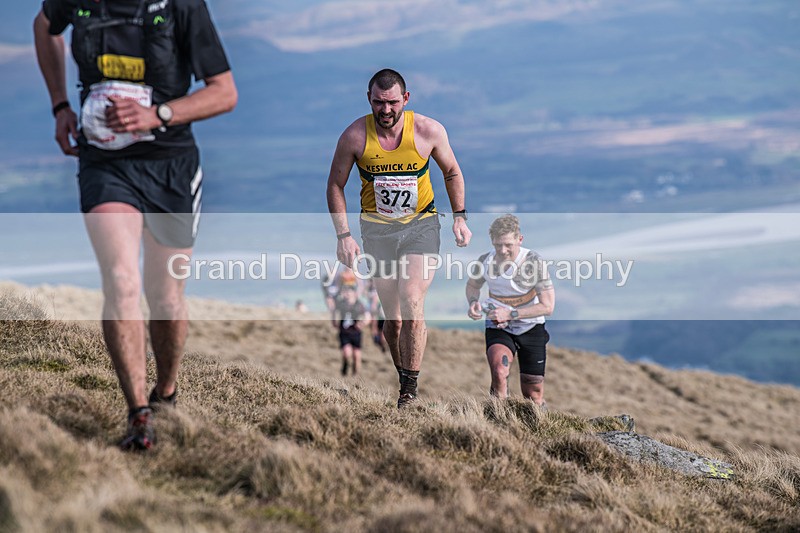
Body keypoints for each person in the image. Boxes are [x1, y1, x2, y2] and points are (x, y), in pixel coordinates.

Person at [34, 0, 237, 451]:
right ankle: (139, 417)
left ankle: (165, 393)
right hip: (105, 164)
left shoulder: (182, 5)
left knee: (165, 295)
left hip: (170, 166)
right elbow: (44, 25)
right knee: (122, 281)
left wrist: (158, 115)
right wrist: (60, 106)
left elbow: (224, 92)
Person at [326, 68, 472, 408]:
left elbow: (451, 171)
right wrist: (343, 235)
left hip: (421, 226)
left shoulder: (428, 130)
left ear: (405, 99)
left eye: (392, 102)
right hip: (377, 231)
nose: (386, 110)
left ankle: (409, 394)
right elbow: (335, 185)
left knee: (411, 299)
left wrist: (460, 218)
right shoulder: (354, 136)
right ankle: (404, 376)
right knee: (392, 321)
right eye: (378, 103)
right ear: (369, 99)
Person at [466, 215, 555, 407]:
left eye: (508, 245)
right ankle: (498, 425)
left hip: (531, 327)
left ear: (519, 239)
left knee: (533, 392)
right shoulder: (485, 260)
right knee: (499, 372)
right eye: (498, 245)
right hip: (498, 327)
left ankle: (537, 426)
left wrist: (511, 314)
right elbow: (472, 286)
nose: (503, 250)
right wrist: (473, 302)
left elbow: (548, 307)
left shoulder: (533, 262)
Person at [332, 284, 370, 376]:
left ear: (354, 293)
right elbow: (334, 312)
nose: (347, 294)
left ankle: (355, 375)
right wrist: (334, 322)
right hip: (344, 332)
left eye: (349, 292)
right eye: (346, 292)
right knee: (346, 353)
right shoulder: (341, 303)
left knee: (356, 355)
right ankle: (345, 367)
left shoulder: (359, 304)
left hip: (356, 333)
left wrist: (362, 324)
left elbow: (368, 316)